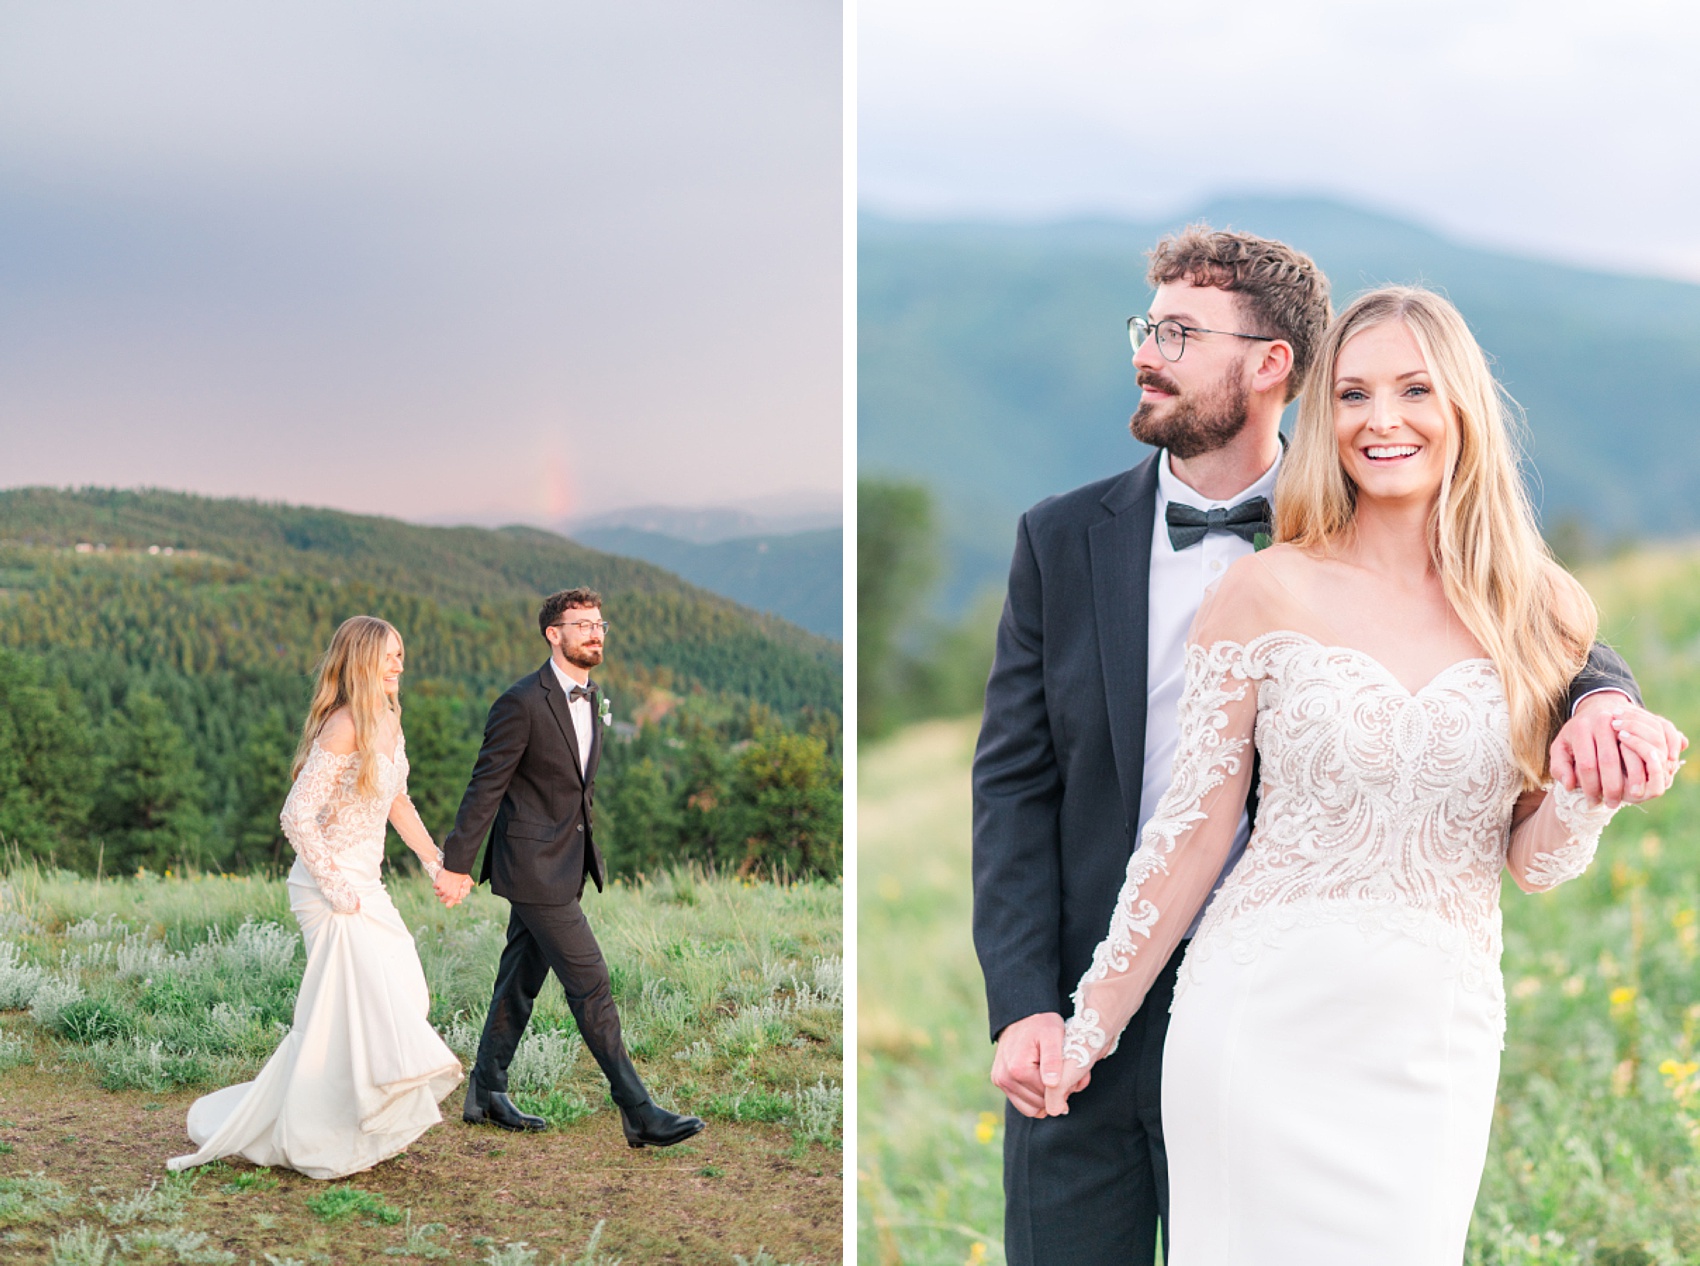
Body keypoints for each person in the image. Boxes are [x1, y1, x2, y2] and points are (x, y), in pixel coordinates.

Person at [971, 230, 1684, 1264]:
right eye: (1351, 396)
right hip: (1254, 1017)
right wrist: (1060, 1020)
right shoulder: (1244, 580)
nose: (1379, 420)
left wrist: (1593, 767)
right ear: (1320, 407)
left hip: (1428, 1044)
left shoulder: (1533, 610)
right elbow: (1110, 812)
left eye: (1412, 392)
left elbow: (1535, 862)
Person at [169, 616, 463, 1179]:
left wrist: (436, 863)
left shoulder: (389, 722)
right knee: (344, 1013)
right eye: (389, 655)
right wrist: (335, 887)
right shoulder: (345, 725)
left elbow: (397, 802)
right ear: (361, 662)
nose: (400, 663)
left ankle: (351, 1116)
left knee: (404, 992)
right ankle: (318, 1133)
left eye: (402, 653)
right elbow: (296, 815)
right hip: (328, 889)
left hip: (367, 885)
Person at [435, 587, 705, 1147]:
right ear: (552, 634)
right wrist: (457, 864)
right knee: (591, 984)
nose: (595, 633)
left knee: (520, 979)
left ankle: (486, 1091)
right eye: (582, 624)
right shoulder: (521, 702)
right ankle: (638, 1111)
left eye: (601, 624)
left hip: (566, 864)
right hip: (533, 867)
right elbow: (486, 786)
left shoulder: (592, 696)